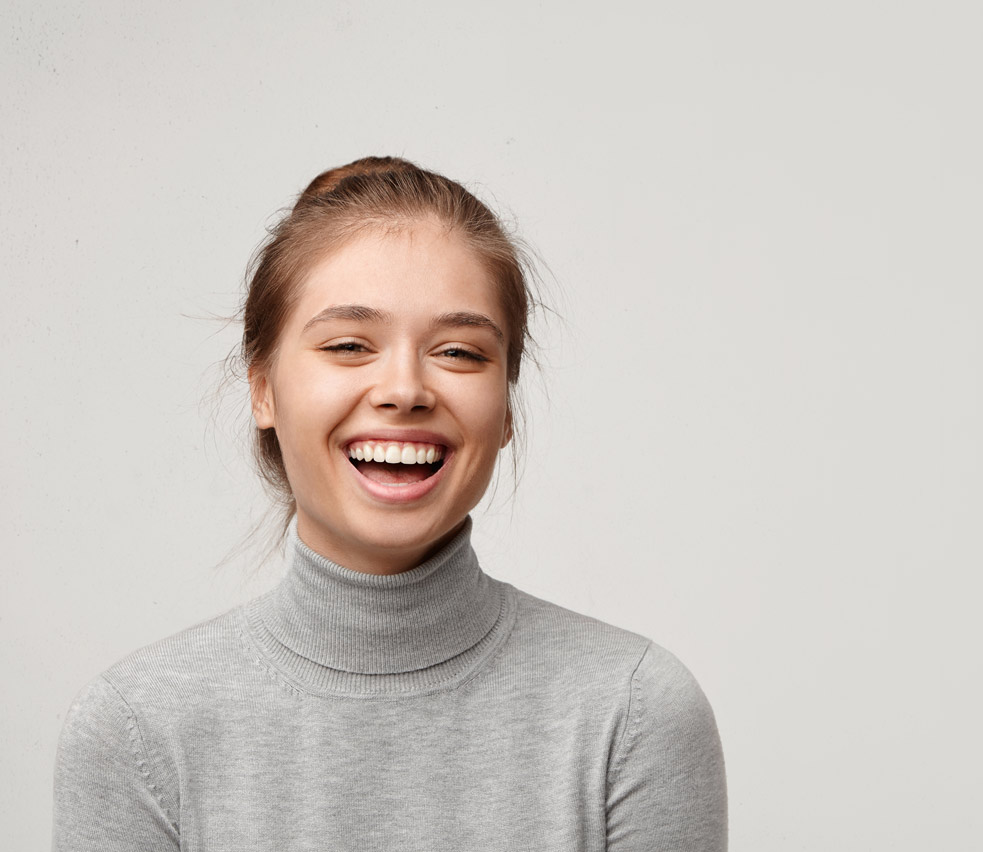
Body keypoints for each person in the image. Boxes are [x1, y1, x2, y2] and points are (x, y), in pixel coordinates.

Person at [52, 157, 728, 851]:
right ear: (263, 389)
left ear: (505, 412)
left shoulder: (633, 713)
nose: (404, 388)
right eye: (349, 345)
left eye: (460, 353)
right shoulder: (137, 730)